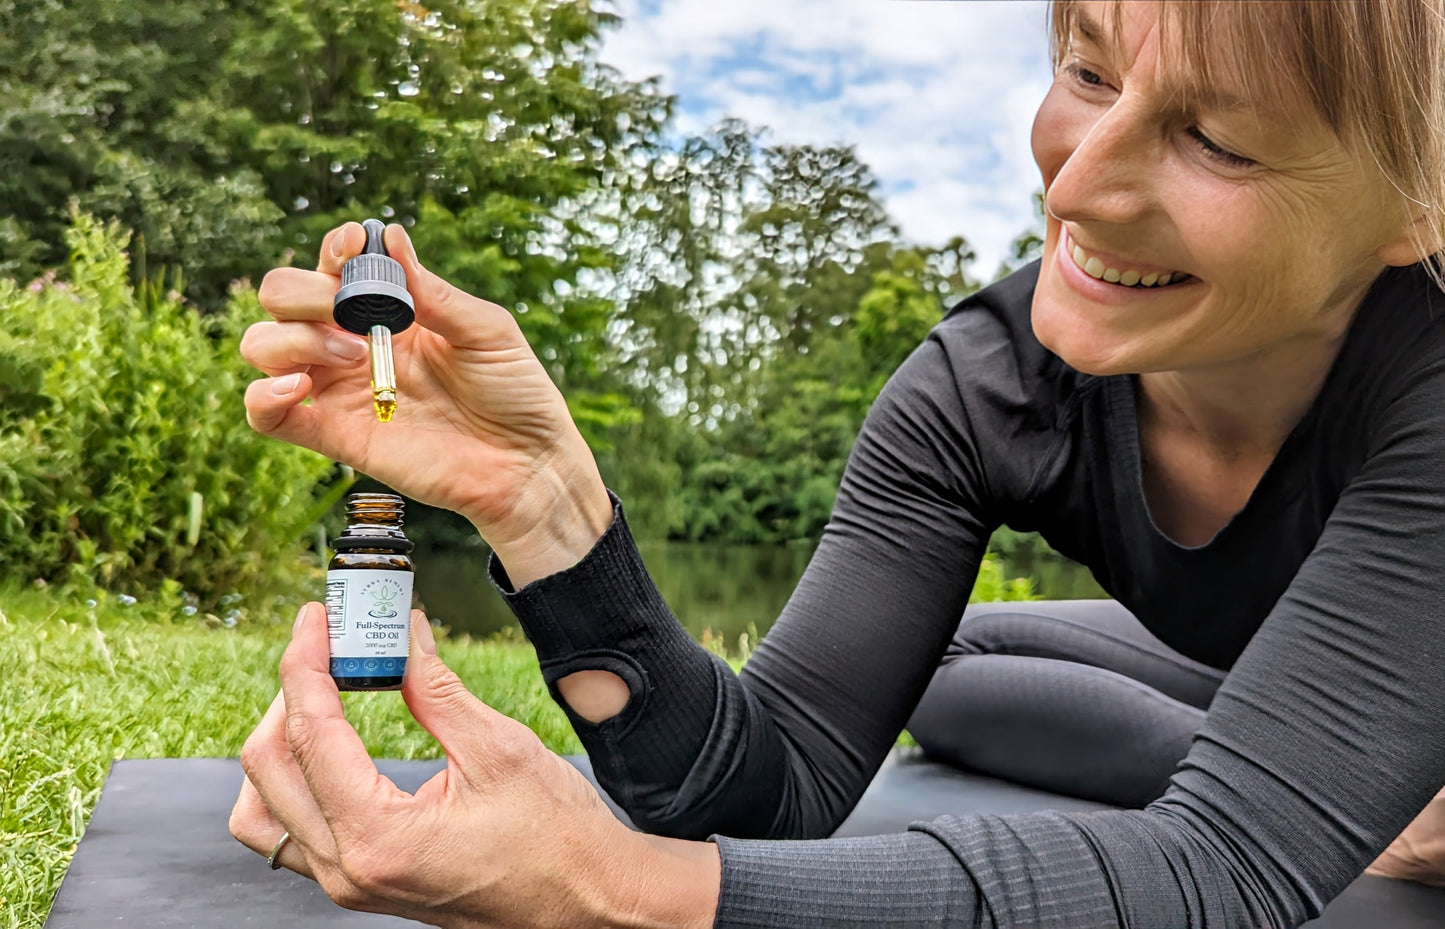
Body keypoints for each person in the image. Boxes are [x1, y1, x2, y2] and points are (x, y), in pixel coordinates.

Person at [229, 0, 1445, 924]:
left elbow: (1215, 874)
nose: (1073, 185)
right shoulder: (985, 382)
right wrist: (544, 505)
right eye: (1086, 71)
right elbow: (769, 782)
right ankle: (1308, 745)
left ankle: (1326, 769)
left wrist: (622, 887)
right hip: (1271, 659)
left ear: (1417, 203)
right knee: (949, 672)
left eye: (1216, 140)